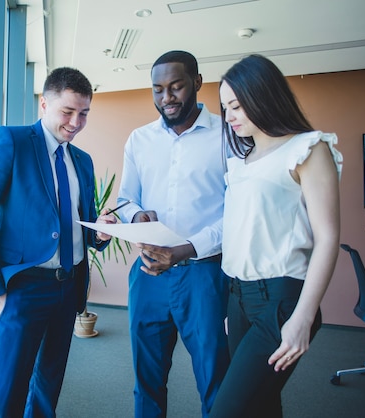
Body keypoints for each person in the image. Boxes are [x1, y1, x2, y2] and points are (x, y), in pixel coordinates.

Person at [0, 67, 115, 418]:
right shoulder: (11, 142)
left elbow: (79, 227)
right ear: (44, 104)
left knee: (47, 391)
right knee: (5, 397)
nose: (76, 122)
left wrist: (100, 231)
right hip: (21, 290)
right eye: (68, 111)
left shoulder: (82, 161)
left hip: (67, 287)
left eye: (84, 113)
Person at [209, 54, 342, 418]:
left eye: (236, 105)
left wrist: (303, 316)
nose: (230, 116)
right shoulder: (244, 161)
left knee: (229, 410)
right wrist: (233, 303)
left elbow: (328, 238)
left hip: (281, 300)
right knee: (262, 406)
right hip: (238, 297)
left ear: (262, 96)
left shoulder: (308, 149)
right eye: (225, 108)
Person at [117, 50, 229, 418]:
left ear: (197, 82)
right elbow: (125, 199)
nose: (166, 98)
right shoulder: (139, 139)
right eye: (158, 89)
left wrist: (187, 249)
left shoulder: (227, 136)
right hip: (148, 272)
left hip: (204, 274)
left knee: (215, 378)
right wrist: (135, 217)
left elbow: (237, 212)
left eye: (176, 86)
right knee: (146, 379)